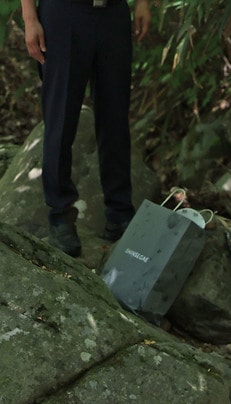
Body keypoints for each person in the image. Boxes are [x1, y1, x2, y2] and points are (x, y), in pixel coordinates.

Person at [20, 0, 150, 258]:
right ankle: (60, 217)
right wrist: (30, 18)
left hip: (113, 14)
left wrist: (143, 3)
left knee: (115, 116)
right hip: (62, 13)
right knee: (61, 119)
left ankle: (120, 212)